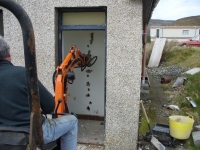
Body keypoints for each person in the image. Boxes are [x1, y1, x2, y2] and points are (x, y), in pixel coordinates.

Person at [0, 35, 78, 150]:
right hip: (31, 133)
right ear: (8, 54)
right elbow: (50, 106)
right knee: (72, 121)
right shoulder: (24, 74)